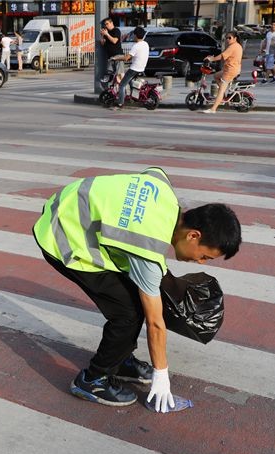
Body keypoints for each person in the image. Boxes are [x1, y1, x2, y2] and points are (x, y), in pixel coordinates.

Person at [33, 168, 241, 411]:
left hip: (69, 207)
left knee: (131, 299)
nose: (201, 262)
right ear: (194, 235)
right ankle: (92, 380)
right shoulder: (149, 247)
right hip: (62, 235)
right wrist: (161, 374)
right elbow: (155, 323)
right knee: (128, 313)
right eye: (205, 256)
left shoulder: (164, 192)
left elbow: (151, 173)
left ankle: (118, 360)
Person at [202, 31, 243, 114]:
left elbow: (222, 56)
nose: (227, 39)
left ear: (235, 38)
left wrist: (211, 59)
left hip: (230, 70)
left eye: (229, 38)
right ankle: (223, 95)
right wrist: (212, 57)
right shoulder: (237, 46)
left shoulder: (233, 46)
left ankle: (213, 109)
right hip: (230, 69)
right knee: (216, 76)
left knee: (221, 89)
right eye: (226, 38)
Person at [111, 26, 149, 110]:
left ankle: (120, 103)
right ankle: (133, 98)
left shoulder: (136, 46)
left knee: (122, 85)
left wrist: (115, 58)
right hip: (141, 68)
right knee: (131, 82)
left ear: (135, 35)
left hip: (134, 69)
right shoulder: (145, 44)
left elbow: (126, 58)